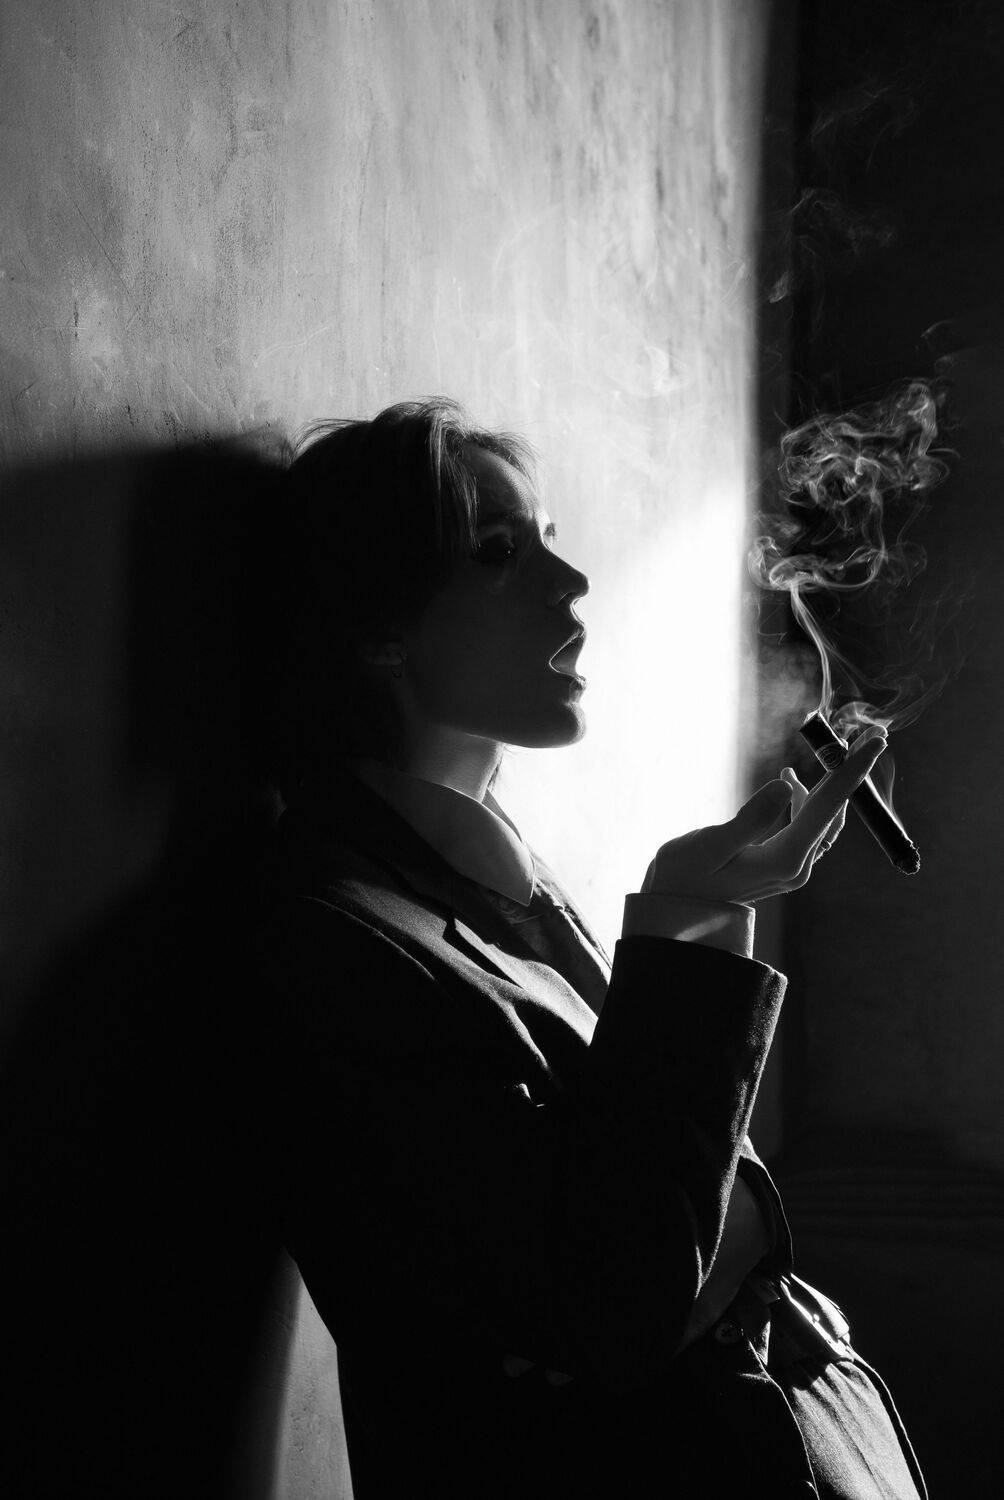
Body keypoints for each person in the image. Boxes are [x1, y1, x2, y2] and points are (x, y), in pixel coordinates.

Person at [254, 399, 927, 1499]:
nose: (569, 584)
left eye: (553, 540)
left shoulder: (495, 875)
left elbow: (654, 1173)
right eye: (498, 550)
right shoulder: (332, 941)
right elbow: (615, 1303)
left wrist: (705, 914)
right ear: (378, 626)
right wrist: (683, 925)